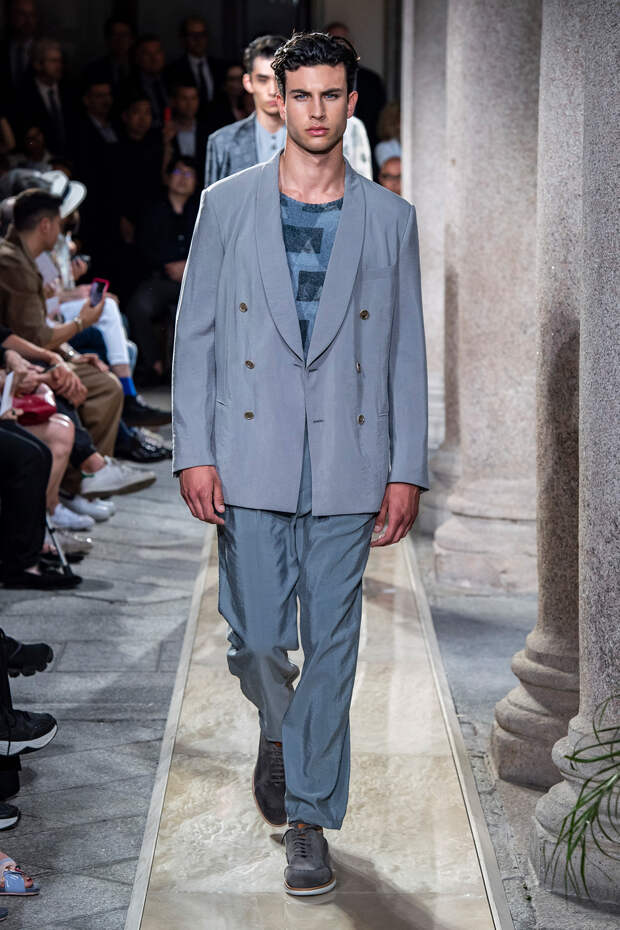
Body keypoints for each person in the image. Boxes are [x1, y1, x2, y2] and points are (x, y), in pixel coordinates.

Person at [173, 32, 428, 896]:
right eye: (303, 94)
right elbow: (197, 335)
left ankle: (309, 817)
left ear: (352, 102)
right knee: (254, 639)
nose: (317, 111)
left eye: (333, 95)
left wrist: (405, 467)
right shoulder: (227, 204)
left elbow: (404, 352)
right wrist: (194, 450)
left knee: (333, 643)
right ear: (277, 98)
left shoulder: (391, 219)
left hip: (350, 456)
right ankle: (280, 731)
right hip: (251, 449)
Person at [0, 189, 155, 500]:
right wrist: (82, 322)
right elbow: (33, 335)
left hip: (31, 354)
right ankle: (79, 483)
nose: (62, 230)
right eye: (60, 223)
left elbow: (28, 330)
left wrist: (70, 355)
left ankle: (82, 485)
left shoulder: (28, 257)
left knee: (103, 382)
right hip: (21, 361)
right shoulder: (13, 262)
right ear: (45, 225)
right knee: (97, 384)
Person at [128, 155, 199, 383]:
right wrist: (169, 266)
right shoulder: (152, 210)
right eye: (178, 172)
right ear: (168, 178)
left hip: (195, 280)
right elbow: (142, 246)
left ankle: (192, 371)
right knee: (138, 306)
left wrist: (189, 266)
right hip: (161, 279)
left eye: (189, 174)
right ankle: (154, 365)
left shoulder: (203, 210)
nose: (183, 179)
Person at [205, 35, 285, 186]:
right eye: (263, 80)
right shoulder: (223, 142)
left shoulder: (310, 136)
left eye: (279, 79)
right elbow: (212, 200)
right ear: (248, 83)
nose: (273, 90)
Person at [325, 22, 386, 155]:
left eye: (344, 42)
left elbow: (380, 124)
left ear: (352, 45)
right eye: (333, 43)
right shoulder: (316, 79)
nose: (339, 48)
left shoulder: (372, 81)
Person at [14, 39, 78, 158]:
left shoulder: (69, 90)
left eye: (60, 61)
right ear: (38, 64)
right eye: (53, 61)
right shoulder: (24, 95)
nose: (59, 66)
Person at [165, 16, 226, 118]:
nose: (198, 40)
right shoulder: (173, 70)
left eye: (202, 35)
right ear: (183, 39)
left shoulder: (220, 67)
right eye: (192, 35)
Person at [162, 83, 208, 188]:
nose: (189, 104)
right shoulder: (165, 131)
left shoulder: (207, 131)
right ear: (174, 101)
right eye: (184, 98)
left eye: (193, 98)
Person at [125, 35, 169, 129]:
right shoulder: (128, 86)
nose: (154, 58)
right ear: (137, 58)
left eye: (157, 52)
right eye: (147, 54)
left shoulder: (173, 80)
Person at [83, 16, 135, 91]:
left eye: (124, 35)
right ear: (107, 39)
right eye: (115, 35)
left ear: (132, 39)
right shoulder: (93, 69)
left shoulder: (140, 67)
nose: (120, 39)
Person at [0, 0, 38, 98]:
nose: (28, 20)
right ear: (11, 17)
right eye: (22, 14)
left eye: (32, 15)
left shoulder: (46, 50)